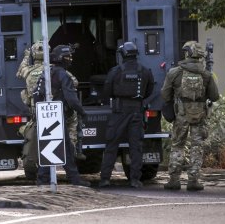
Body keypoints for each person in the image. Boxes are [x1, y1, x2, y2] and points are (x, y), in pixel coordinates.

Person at [161, 41, 219, 191]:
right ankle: (193, 181)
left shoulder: (175, 73)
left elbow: (165, 94)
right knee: (197, 147)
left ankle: (174, 180)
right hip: (199, 116)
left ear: (186, 53)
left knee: (177, 146)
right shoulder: (206, 74)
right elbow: (214, 96)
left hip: (181, 115)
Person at [99, 42, 155, 189]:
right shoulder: (145, 71)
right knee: (136, 147)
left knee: (111, 145)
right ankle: (135, 180)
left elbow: (107, 91)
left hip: (119, 111)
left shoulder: (115, 71)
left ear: (123, 54)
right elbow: (149, 90)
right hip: (137, 111)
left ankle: (105, 179)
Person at [36, 45, 90, 187]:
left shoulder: (46, 73)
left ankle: (44, 179)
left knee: (51, 147)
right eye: (68, 57)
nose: (70, 59)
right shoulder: (63, 75)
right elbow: (71, 98)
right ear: (62, 58)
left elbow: (36, 95)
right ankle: (73, 179)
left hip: (46, 116)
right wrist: (82, 112)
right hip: (58, 116)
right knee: (65, 147)